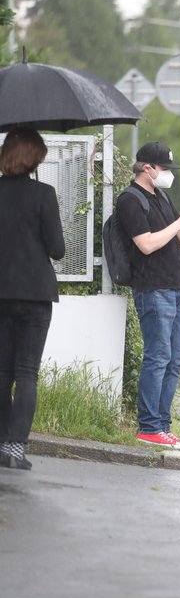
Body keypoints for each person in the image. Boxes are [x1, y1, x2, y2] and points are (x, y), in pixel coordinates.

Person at [116, 142, 180, 449]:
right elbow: (146, 244)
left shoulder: (161, 196)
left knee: (175, 359)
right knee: (157, 357)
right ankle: (148, 426)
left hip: (176, 289)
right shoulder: (130, 200)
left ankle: (162, 425)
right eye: (165, 169)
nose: (168, 174)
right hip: (153, 289)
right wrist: (178, 223)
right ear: (147, 168)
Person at [0, 127, 66, 470]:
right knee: (27, 372)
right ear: (34, 157)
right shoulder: (44, 193)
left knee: (1, 372)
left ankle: (1, 442)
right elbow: (58, 249)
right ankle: (14, 448)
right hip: (35, 293)